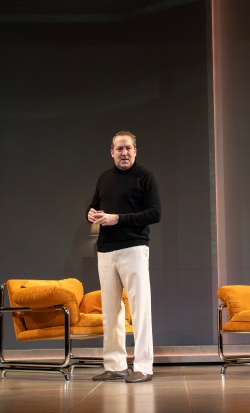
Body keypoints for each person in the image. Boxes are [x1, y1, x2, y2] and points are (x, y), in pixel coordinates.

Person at [86, 130, 161, 383]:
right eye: (119, 149)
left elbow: (155, 213)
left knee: (140, 309)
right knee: (111, 311)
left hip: (134, 248)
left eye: (128, 148)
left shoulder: (145, 177)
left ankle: (143, 366)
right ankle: (116, 365)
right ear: (112, 152)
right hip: (106, 250)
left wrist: (118, 218)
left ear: (135, 151)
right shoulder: (104, 177)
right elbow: (94, 205)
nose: (124, 153)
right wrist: (92, 214)